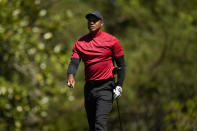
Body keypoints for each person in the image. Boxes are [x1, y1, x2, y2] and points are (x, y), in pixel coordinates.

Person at [67, 11, 126, 131]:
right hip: (89, 89)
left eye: (95, 20)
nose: (91, 22)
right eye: (89, 20)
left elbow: (121, 65)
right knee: (92, 127)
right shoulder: (80, 43)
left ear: (102, 23)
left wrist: (119, 85)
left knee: (100, 124)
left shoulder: (112, 41)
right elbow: (74, 62)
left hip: (106, 87)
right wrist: (70, 75)